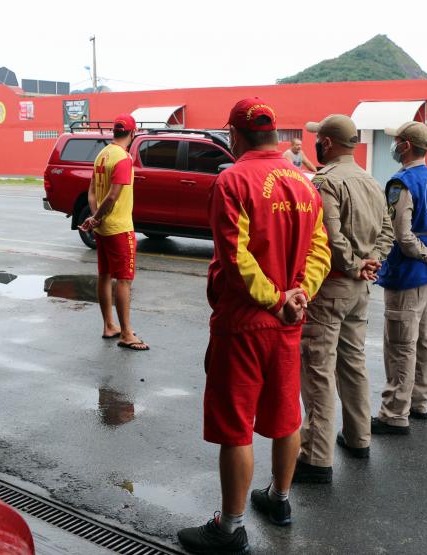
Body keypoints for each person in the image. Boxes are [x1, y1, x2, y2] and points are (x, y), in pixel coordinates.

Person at [177, 98, 331, 554]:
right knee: (286, 416)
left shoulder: (233, 180)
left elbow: (235, 256)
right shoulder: (303, 183)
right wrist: (299, 295)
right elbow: (320, 251)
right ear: (274, 134)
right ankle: (279, 500)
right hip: (289, 322)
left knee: (236, 426)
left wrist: (276, 298)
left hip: (245, 322)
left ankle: (229, 529)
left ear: (235, 134)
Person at [294, 114, 393, 484]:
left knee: (318, 368)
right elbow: (387, 231)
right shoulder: (371, 180)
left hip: (333, 286)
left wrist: (353, 265)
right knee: (353, 362)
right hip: (359, 288)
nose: (316, 143)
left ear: (328, 143)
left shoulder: (327, 182)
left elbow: (330, 236)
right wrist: (371, 262)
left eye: (319, 138)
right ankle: (357, 436)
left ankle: (316, 456)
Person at [371, 122, 427, 435]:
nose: (393, 145)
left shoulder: (401, 183)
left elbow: (400, 235)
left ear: (405, 146)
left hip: (408, 272)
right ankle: (419, 400)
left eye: (396, 141)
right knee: (424, 339)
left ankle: (394, 412)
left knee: (401, 344)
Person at [79, 114, 149, 351]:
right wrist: (97, 218)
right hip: (119, 228)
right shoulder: (123, 158)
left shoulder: (102, 154)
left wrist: (94, 218)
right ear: (133, 132)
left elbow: (91, 192)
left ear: (114, 131)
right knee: (124, 280)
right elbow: (112, 196)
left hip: (103, 229)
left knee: (105, 275)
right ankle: (127, 334)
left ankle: (109, 325)